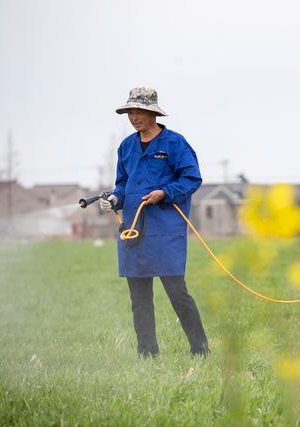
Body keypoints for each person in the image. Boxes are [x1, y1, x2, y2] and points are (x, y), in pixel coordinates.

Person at [100, 87, 209, 357]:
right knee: (139, 299)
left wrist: (165, 193)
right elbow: (123, 184)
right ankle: (147, 354)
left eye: (140, 111)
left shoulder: (175, 143)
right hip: (133, 232)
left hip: (166, 231)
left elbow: (191, 178)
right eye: (130, 112)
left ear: (153, 113)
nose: (134, 117)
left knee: (177, 293)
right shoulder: (126, 147)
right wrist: (115, 198)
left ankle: (200, 350)